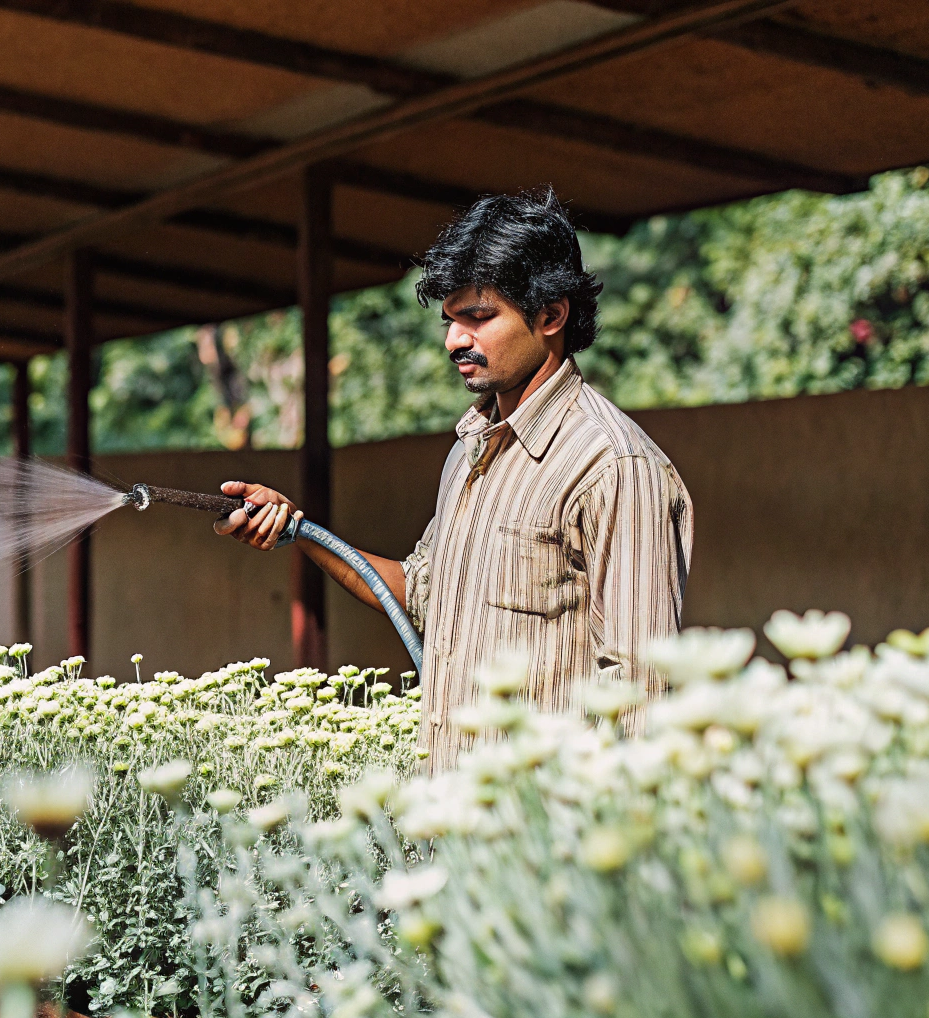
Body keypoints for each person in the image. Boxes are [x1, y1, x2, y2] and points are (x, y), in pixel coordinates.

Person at [214, 189, 692, 761]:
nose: (453, 340)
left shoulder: (613, 465)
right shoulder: (472, 449)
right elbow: (419, 593)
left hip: (543, 834)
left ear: (551, 315)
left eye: (479, 317)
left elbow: (640, 694)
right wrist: (297, 530)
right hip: (452, 824)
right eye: (449, 320)